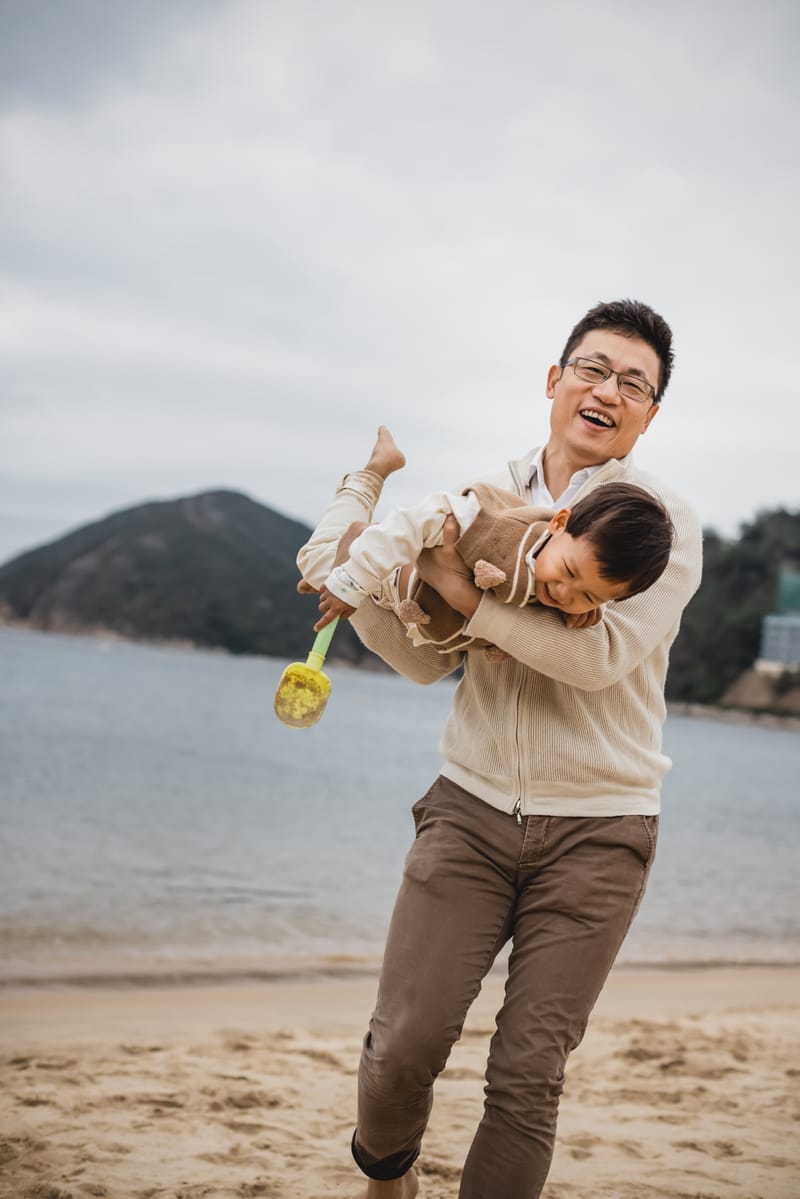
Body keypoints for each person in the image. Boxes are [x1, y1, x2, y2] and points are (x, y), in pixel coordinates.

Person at [296, 299, 702, 1199]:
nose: (609, 390)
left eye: (634, 383)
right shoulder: (477, 503)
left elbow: (594, 656)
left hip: (600, 829)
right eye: (593, 369)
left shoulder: (659, 525)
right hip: (470, 808)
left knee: (527, 1075)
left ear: (650, 414)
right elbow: (419, 659)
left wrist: (467, 597)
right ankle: (388, 1176)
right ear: (554, 381)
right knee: (403, 1042)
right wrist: (369, 590)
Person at [299, 433, 674, 661]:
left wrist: (586, 612)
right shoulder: (498, 527)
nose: (564, 592)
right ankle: (370, 477)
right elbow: (421, 519)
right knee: (315, 562)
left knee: (324, 571)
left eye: (588, 595)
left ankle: (355, 545)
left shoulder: (575, 586)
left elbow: (587, 605)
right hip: (393, 573)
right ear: (558, 523)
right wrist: (353, 580)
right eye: (569, 573)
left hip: (412, 611)